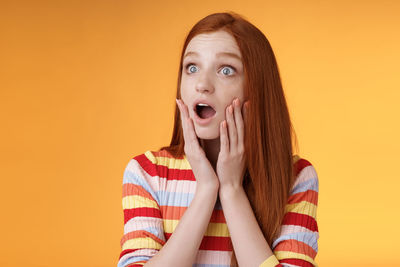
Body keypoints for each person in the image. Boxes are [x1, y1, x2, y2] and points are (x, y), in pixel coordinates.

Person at [117, 12, 319, 267]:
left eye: (226, 70)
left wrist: (232, 190)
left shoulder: (297, 178)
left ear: (256, 89)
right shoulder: (147, 173)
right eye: (192, 67)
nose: (202, 84)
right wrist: (206, 190)